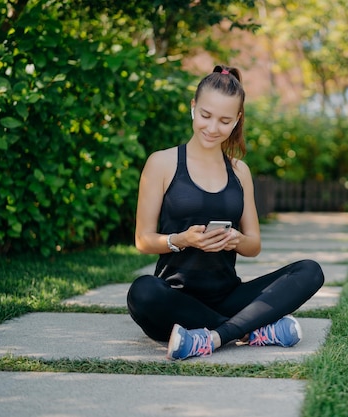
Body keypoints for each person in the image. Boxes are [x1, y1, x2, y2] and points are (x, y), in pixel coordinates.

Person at [127, 64, 325, 360]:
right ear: (193, 107)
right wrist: (182, 239)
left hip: (229, 297)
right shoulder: (162, 163)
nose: (212, 127)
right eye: (205, 115)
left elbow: (254, 245)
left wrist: (235, 239)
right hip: (175, 301)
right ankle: (249, 331)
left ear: (237, 121)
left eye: (224, 120)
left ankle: (214, 337)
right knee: (142, 292)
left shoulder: (239, 171)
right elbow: (143, 239)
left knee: (310, 271)